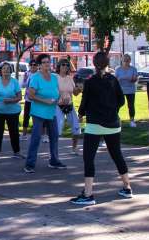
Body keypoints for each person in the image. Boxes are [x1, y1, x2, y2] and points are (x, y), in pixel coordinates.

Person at [71, 51, 133, 205]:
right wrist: (112, 110)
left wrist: (81, 113)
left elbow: (84, 102)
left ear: (94, 63)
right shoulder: (113, 79)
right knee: (117, 155)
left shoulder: (90, 81)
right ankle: (127, 187)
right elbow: (121, 100)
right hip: (113, 124)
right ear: (107, 63)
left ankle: (88, 193)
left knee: (89, 158)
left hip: (95, 125)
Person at [24, 54, 66, 173]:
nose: (47, 64)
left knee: (54, 136)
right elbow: (30, 95)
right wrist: (45, 101)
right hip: (38, 113)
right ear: (39, 65)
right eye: (44, 62)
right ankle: (29, 164)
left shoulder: (53, 77)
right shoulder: (35, 77)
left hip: (51, 112)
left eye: (48, 61)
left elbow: (56, 93)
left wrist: (60, 99)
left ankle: (54, 160)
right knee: (36, 138)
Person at [0, 62, 23, 159]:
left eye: (8, 68)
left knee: (14, 132)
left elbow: (19, 97)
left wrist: (11, 100)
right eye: (4, 68)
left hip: (12, 111)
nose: (6, 70)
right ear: (0, 70)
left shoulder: (14, 82)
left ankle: (16, 152)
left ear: (11, 70)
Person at [55, 59, 82, 156]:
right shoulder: (55, 77)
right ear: (59, 66)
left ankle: (74, 148)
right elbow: (52, 92)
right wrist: (60, 99)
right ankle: (54, 151)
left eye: (67, 65)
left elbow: (74, 93)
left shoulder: (70, 78)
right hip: (58, 106)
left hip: (69, 105)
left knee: (76, 128)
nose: (65, 66)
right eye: (63, 65)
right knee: (57, 130)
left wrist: (79, 89)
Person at [115, 54, 139, 127]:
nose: (126, 62)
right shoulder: (118, 69)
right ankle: (115, 120)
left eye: (128, 60)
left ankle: (132, 121)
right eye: (125, 60)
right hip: (120, 90)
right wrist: (119, 79)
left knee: (131, 106)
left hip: (130, 90)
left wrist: (131, 79)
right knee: (117, 105)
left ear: (130, 61)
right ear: (122, 60)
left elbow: (135, 79)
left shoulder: (133, 69)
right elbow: (115, 80)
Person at [21, 60, 38, 138]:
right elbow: (23, 85)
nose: (33, 66)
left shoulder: (39, 74)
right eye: (31, 65)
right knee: (26, 116)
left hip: (37, 99)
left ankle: (42, 135)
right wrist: (27, 78)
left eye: (35, 65)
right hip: (28, 99)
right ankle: (24, 134)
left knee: (38, 117)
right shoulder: (27, 73)